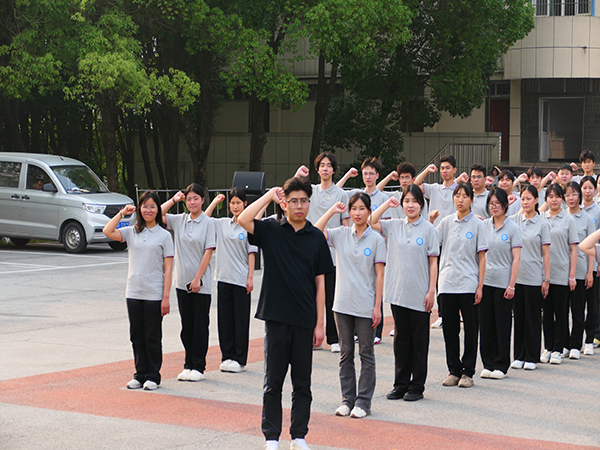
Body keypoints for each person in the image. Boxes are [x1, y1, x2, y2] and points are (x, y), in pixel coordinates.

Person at [238, 178, 333, 450]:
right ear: (285, 203)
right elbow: (244, 219)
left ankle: (299, 435)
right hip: (277, 318)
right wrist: (269, 195)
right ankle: (271, 437)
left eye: (304, 200)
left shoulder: (316, 237)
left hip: (305, 320)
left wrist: (320, 324)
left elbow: (320, 283)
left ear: (309, 203)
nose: (299, 206)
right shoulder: (271, 230)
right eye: (294, 201)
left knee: (302, 384)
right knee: (273, 383)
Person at [315, 193, 385, 418]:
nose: (357, 213)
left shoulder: (376, 240)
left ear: (369, 211)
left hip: (365, 305)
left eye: (361, 208)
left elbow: (380, 275)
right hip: (342, 305)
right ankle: (347, 399)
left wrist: (377, 307)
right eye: (353, 209)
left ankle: (363, 402)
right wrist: (332, 211)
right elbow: (317, 231)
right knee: (345, 354)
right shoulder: (340, 234)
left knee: (366, 353)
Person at [371, 185, 439, 401]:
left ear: (421, 204)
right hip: (398, 291)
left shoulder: (428, 229)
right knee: (401, 341)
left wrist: (431, 291)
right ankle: (400, 384)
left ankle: (416, 386)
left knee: (419, 341)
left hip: (420, 294)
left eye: (415, 201)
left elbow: (433, 262)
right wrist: (385, 205)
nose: (410, 205)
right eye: (406, 201)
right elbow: (371, 221)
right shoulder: (394, 226)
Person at [103, 191, 174, 391]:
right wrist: (121, 214)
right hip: (133, 292)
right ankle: (140, 374)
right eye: (145, 206)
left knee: (152, 336)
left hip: (154, 293)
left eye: (152, 206)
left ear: (158, 209)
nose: (148, 210)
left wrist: (165, 297)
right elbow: (108, 231)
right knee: (136, 335)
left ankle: (153, 375)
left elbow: (168, 269)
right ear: (139, 209)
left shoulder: (164, 235)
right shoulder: (132, 231)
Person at [430, 183, 488, 388]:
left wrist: (480, 286)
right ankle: (453, 370)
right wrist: (429, 221)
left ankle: (468, 372)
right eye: (457, 195)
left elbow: (482, 258)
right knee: (450, 329)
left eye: (465, 196)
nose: (460, 199)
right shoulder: (446, 222)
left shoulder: (478, 224)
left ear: (471, 199)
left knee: (471, 329)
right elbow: (431, 243)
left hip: (469, 283)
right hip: (447, 283)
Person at [161, 184, 216, 382]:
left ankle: (199, 366)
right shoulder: (179, 220)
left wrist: (197, 278)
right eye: (189, 199)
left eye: (196, 198)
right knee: (187, 326)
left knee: (200, 325)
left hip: (201, 284)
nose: (192, 202)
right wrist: (174, 200)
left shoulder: (208, 223)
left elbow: (208, 252)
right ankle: (188, 364)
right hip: (181, 282)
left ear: (203, 200)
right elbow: (155, 214)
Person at [295, 153, 349, 354]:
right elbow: (291, 195)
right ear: (317, 170)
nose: (325, 169)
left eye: (329, 166)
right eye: (322, 166)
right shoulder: (312, 191)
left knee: (331, 297)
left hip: (332, 253)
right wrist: (298, 174)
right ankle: (311, 336)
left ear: (334, 170)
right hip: (310, 251)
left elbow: (346, 224)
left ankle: (334, 338)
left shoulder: (341, 194)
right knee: (309, 296)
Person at [336, 157, 390, 344]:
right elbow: (337, 190)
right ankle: (358, 328)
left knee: (375, 285)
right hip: (356, 247)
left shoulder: (383, 198)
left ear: (377, 175)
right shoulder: (357, 194)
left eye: (371, 173)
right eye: (365, 173)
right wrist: (347, 175)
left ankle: (376, 331)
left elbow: (385, 227)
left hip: (374, 247)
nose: (368, 176)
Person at [205, 188, 257, 373]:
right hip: (223, 277)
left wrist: (250, 277)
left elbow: (252, 253)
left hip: (241, 279)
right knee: (225, 320)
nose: (235, 206)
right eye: (232, 203)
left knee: (240, 321)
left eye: (238, 202)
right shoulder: (222, 224)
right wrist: (214, 202)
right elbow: (204, 219)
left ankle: (239, 359)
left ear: (245, 204)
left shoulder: (248, 225)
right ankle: (227, 355)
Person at [415, 155, 463, 329]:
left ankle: (455, 312)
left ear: (454, 170)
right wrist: (428, 170)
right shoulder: (434, 188)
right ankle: (441, 313)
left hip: (454, 237)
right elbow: (415, 185)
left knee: (454, 273)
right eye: (442, 168)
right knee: (437, 276)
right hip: (435, 236)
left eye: (448, 167)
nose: (444, 171)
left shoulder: (460, 190)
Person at [479, 188, 522, 379]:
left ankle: (501, 364)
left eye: (497, 203)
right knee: (486, 324)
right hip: (485, 282)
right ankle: (487, 363)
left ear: (505, 205)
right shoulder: (483, 226)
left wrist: (512, 285)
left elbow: (516, 259)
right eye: (491, 203)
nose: (494, 207)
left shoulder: (513, 228)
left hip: (504, 284)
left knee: (502, 325)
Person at [510, 185, 550, 371]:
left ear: (536, 200)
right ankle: (518, 355)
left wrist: (546, 279)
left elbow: (546, 254)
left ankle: (532, 356)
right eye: (523, 198)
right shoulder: (515, 220)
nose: (525, 202)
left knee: (533, 318)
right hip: (516, 278)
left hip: (534, 277)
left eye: (529, 198)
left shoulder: (542, 224)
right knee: (518, 317)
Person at [540, 184, 578, 365]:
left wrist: (572, 275)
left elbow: (574, 250)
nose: (554, 199)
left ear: (562, 198)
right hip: (543, 275)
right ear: (546, 199)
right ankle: (548, 347)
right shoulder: (541, 218)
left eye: (557, 196)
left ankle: (558, 348)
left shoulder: (569, 220)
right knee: (546, 313)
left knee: (561, 312)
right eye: (550, 196)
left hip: (562, 272)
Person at [564, 181, 595, 360]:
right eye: (567, 194)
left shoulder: (587, 220)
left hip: (582, 270)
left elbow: (591, 249)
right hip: (562, 271)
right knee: (561, 310)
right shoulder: (560, 216)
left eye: (574, 194)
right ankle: (565, 343)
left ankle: (576, 344)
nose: (571, 198)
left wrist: (590, 271)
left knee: (577, 308)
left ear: (579, 196)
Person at [580, 176, 600, 356]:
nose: (587, 191)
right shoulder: (574, 211)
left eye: (590, 188)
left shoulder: (598, 211)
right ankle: (574, 341)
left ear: (595, 190)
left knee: (593, 305)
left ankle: (590, 338)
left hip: (594, 263)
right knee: (577, 305)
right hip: (576, 264)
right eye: (584, 188)